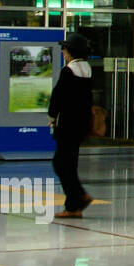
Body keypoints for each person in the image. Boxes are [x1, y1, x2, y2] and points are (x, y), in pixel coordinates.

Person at [50, 34, 95, 220]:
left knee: (60, 163)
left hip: (67, 124)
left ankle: (79, 197)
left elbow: (58, 96)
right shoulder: (87, 70)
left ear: (71, 51)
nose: (63, 51)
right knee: (70, 163)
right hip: (80, 125)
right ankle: (74, 205)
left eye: (65, 48)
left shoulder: (68, 71)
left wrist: (52, 115)